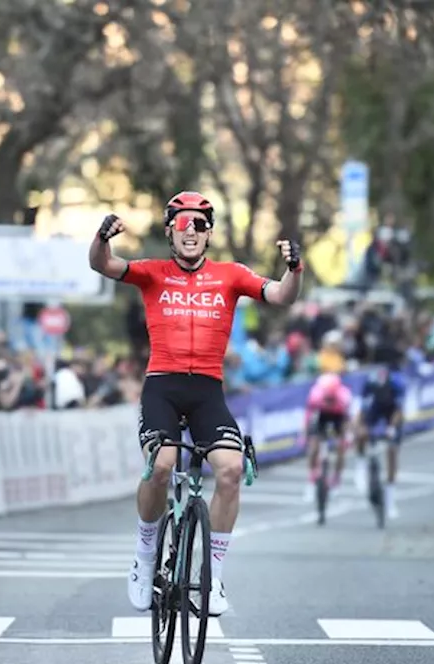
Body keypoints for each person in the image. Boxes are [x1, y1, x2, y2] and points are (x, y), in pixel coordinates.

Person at [88, 191, 303, 617]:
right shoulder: (152, 273)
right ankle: (145, 556)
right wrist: (101, 238)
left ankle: (214, 578)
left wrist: (295, 268)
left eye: (200, 225)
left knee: (230, 470)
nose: (191, 232)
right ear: (170, 230)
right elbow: (103, 264)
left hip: (207, 390)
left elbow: (281, 296)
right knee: (163, 465)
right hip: (162, 386)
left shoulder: (230, 275)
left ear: (209, 234)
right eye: (183, 224)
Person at [352, 363, 406, 519]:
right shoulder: (370, 384)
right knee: (361, 433)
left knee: (392, 451)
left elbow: (399, 411)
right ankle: (361, 464)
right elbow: (362, 410)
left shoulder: (397, 384)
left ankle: (390, 501)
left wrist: (390, 429)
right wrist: (360, 428)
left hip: (392, 411)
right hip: (375, 409)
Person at [304, 372, 353, 515]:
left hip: (338, 417)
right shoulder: (315, 395)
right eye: (327, 398)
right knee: (313, 447)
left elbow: (348, 420)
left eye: (331, 398)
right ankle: (311, 481)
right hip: (321, 416)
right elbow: (308, 417)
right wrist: (306, 435)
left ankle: (336, 479)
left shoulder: (344, 396)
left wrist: (347, 437)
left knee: (341, 448)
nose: (329, 400)